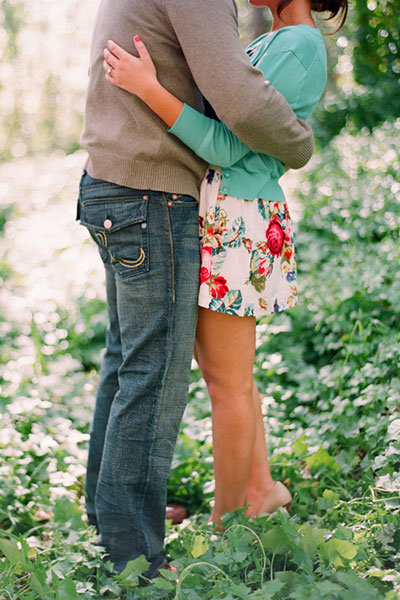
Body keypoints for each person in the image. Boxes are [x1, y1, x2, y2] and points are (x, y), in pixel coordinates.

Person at [78, 0, 316, 577]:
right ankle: (129, 551)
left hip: (128, 188)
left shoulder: (297, 44)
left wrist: (294, 141)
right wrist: (299, 142)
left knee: (138, 363)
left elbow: (236, 120)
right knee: (153, 372)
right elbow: (239, 103)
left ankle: (124, 520)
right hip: (150, 194)